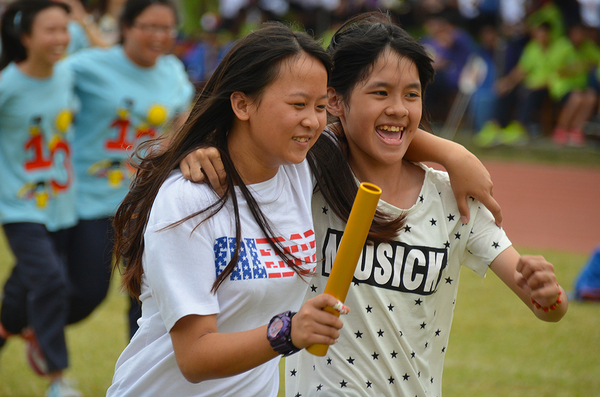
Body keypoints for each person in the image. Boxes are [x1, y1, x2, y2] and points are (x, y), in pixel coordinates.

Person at [184, 12, 567, 397]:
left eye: (412, 94)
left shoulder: (453, 199)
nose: (399, 108)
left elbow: (546, 309)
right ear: (335, 100)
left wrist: (549, 297)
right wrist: (201, 152)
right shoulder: (306, 176)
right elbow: (266, 139)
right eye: (380, 93)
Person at [107, 22, 346, 396]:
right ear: (241, 104)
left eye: (320, 106)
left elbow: (377, 125)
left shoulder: (301, 169)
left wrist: (453, 155)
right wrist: (287, 330)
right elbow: (195, 357)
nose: (313, 121)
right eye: (298, 104)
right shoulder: (189, 199)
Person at [60, 0, 194, 339]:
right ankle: (33, 323)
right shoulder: (88, 66)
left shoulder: (173, 71)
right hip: (92, 200)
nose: (159, 36)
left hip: (148, 202)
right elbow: (43, 83)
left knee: (144, 299)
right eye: (149, 26)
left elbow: (182, 120)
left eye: (166, 28)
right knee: (87, 293)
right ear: (126, 27)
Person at [0, 1, 83, 396]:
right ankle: (57, 377)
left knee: (26, 284)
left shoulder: (68, 74)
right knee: (49, 280)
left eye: (64, 30)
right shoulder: (7, 86)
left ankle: (4, 328)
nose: (61, 38)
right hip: (17, 205)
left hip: (63, 202)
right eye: (50, 30)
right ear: (26, 37)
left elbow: (106, 48)